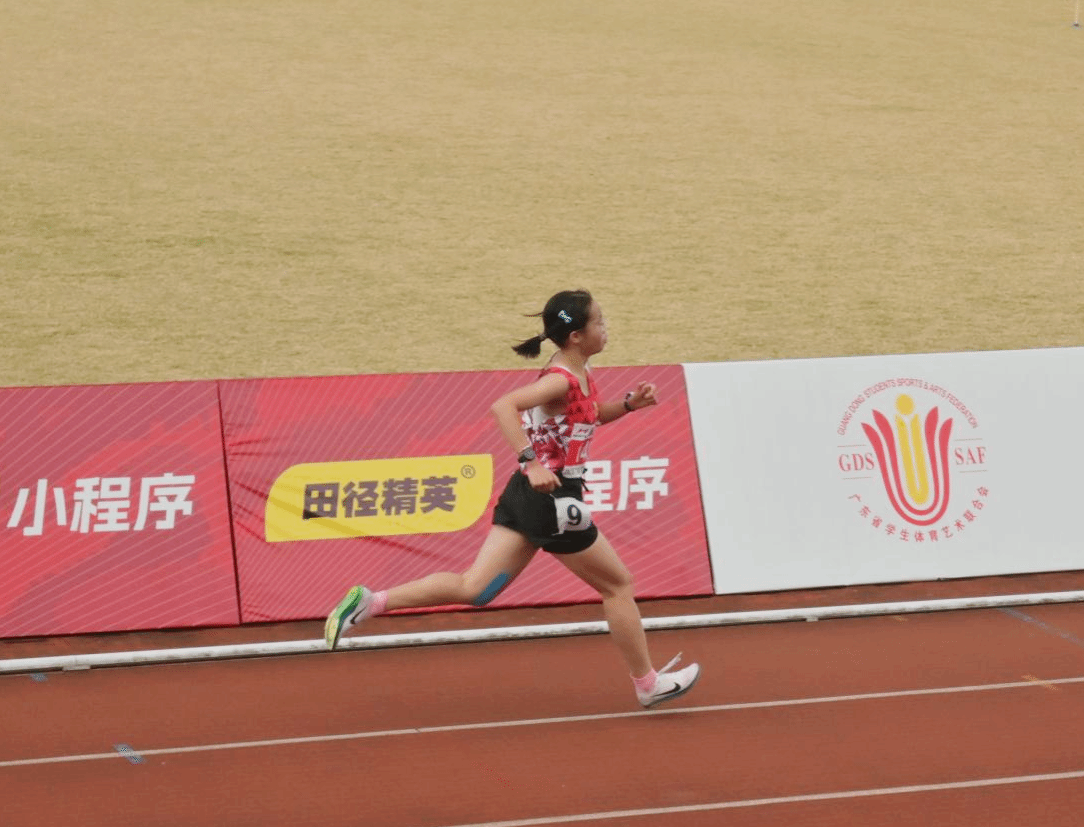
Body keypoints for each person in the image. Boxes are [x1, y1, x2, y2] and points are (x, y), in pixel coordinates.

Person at [324, 289, 700, 708]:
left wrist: (628, 405)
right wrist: (531, 462)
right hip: (552, 498)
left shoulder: (576, 371)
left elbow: (588, 417)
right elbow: (503, 406)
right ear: (576, 336)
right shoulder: (560, 379)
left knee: (475, 588)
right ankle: (647, 684)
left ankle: (370, 602)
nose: (606, 327)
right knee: (618, 585)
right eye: (599, 321)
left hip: (528, 497)